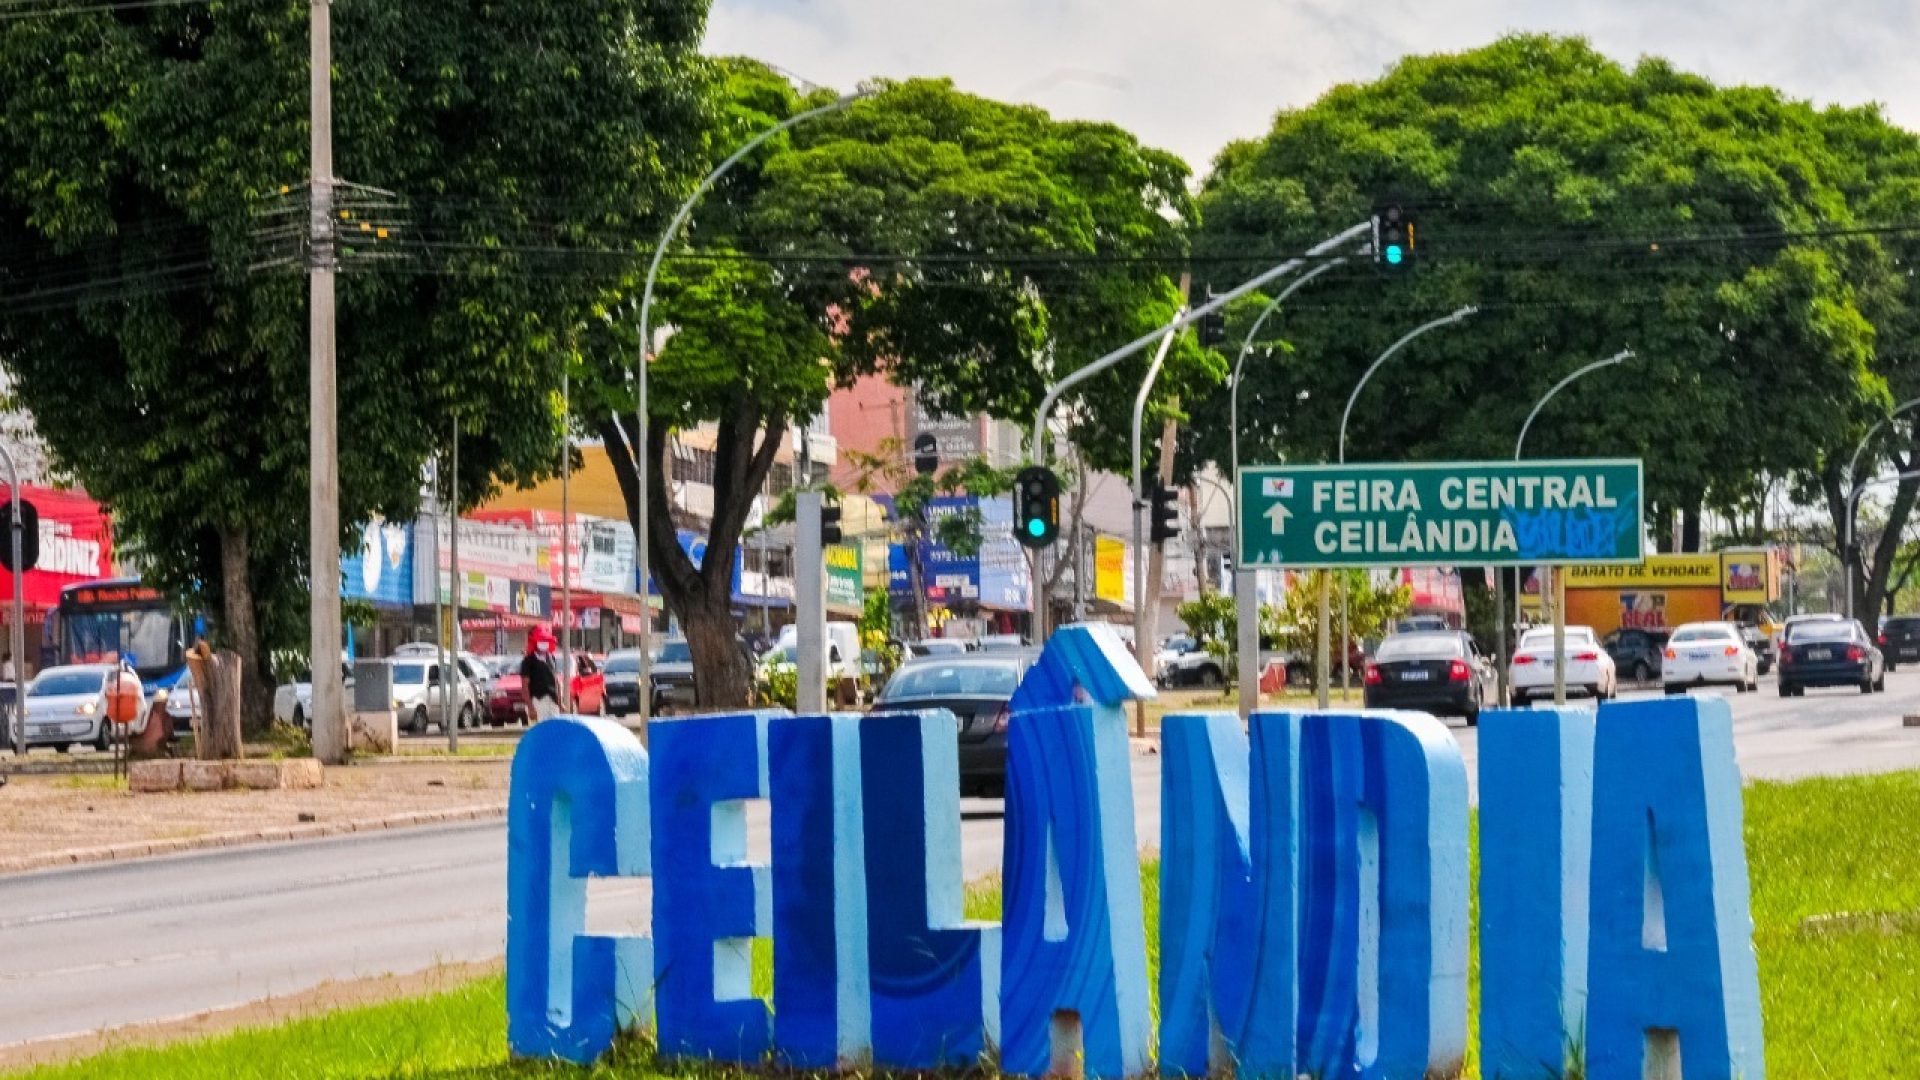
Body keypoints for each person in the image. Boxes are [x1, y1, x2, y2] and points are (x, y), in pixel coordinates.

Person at [520, 628, 561, 722]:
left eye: (546, 641)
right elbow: (524, 686)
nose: (544, 643)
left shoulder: (551, 658)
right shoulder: (528, 661)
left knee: (555, 730)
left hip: (552, 701)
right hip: (537, 701)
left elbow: (556, 681)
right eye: (541, 641)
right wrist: (530, 707)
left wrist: (560, 702)